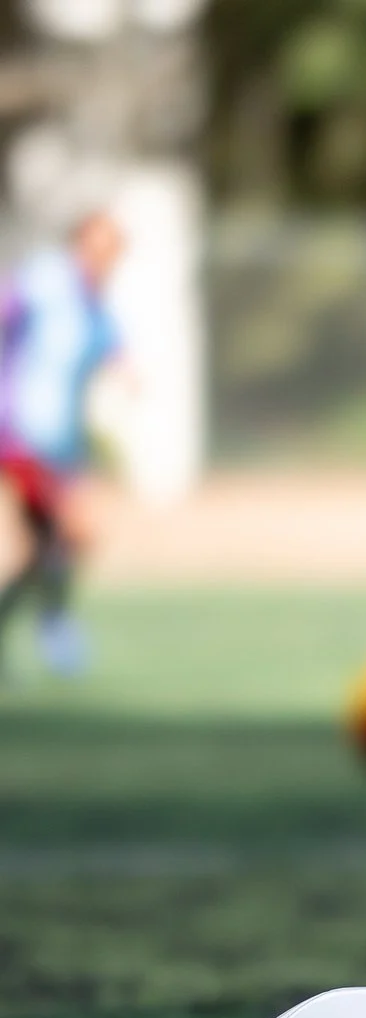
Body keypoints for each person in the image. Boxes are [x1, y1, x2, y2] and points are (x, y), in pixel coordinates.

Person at [0, 211, 126, 681]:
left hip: (65, 444)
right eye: (100, 243)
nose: (108, 254)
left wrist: (125, 368)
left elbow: (111, 346)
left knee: (57, 547)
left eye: (115, 245)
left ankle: (49, 622)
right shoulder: (45, 281)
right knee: (60, 538)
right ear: (79, 243)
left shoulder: (96, 303)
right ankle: (53, 625)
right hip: (23, 436)